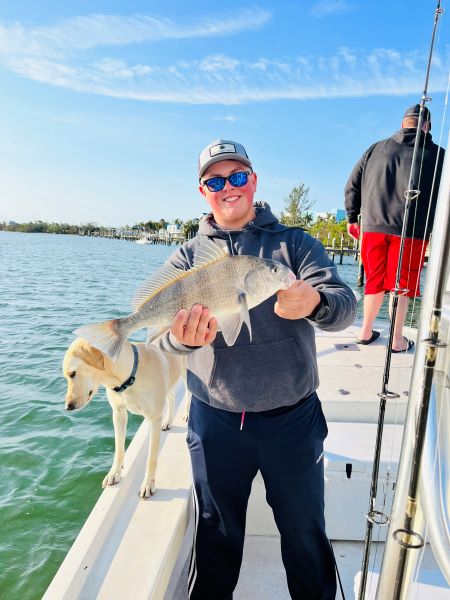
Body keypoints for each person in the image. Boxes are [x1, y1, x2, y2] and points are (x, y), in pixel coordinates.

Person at [159, 139, 357, 599]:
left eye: (237, 176)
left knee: (305, 535)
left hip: (292, 420)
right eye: (215, 180)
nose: (228, 187)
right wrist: (178, 339)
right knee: (215, 537)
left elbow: (344, 307)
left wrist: (317, 302)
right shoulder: (187, 258)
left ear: (254, 181)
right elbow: (165, 337)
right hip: (215, 422)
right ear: (203, 191)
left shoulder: (296, 245)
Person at [345, 104, 445, 352]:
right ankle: (397, 339)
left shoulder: (376, 148)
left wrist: (352, 218)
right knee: (402, 284)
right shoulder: (440, 155)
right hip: (412, 230)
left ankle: (365, 331)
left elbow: (353, 184)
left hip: (373, 226)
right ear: (427, 126)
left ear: (403, 123)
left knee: (374, 282)